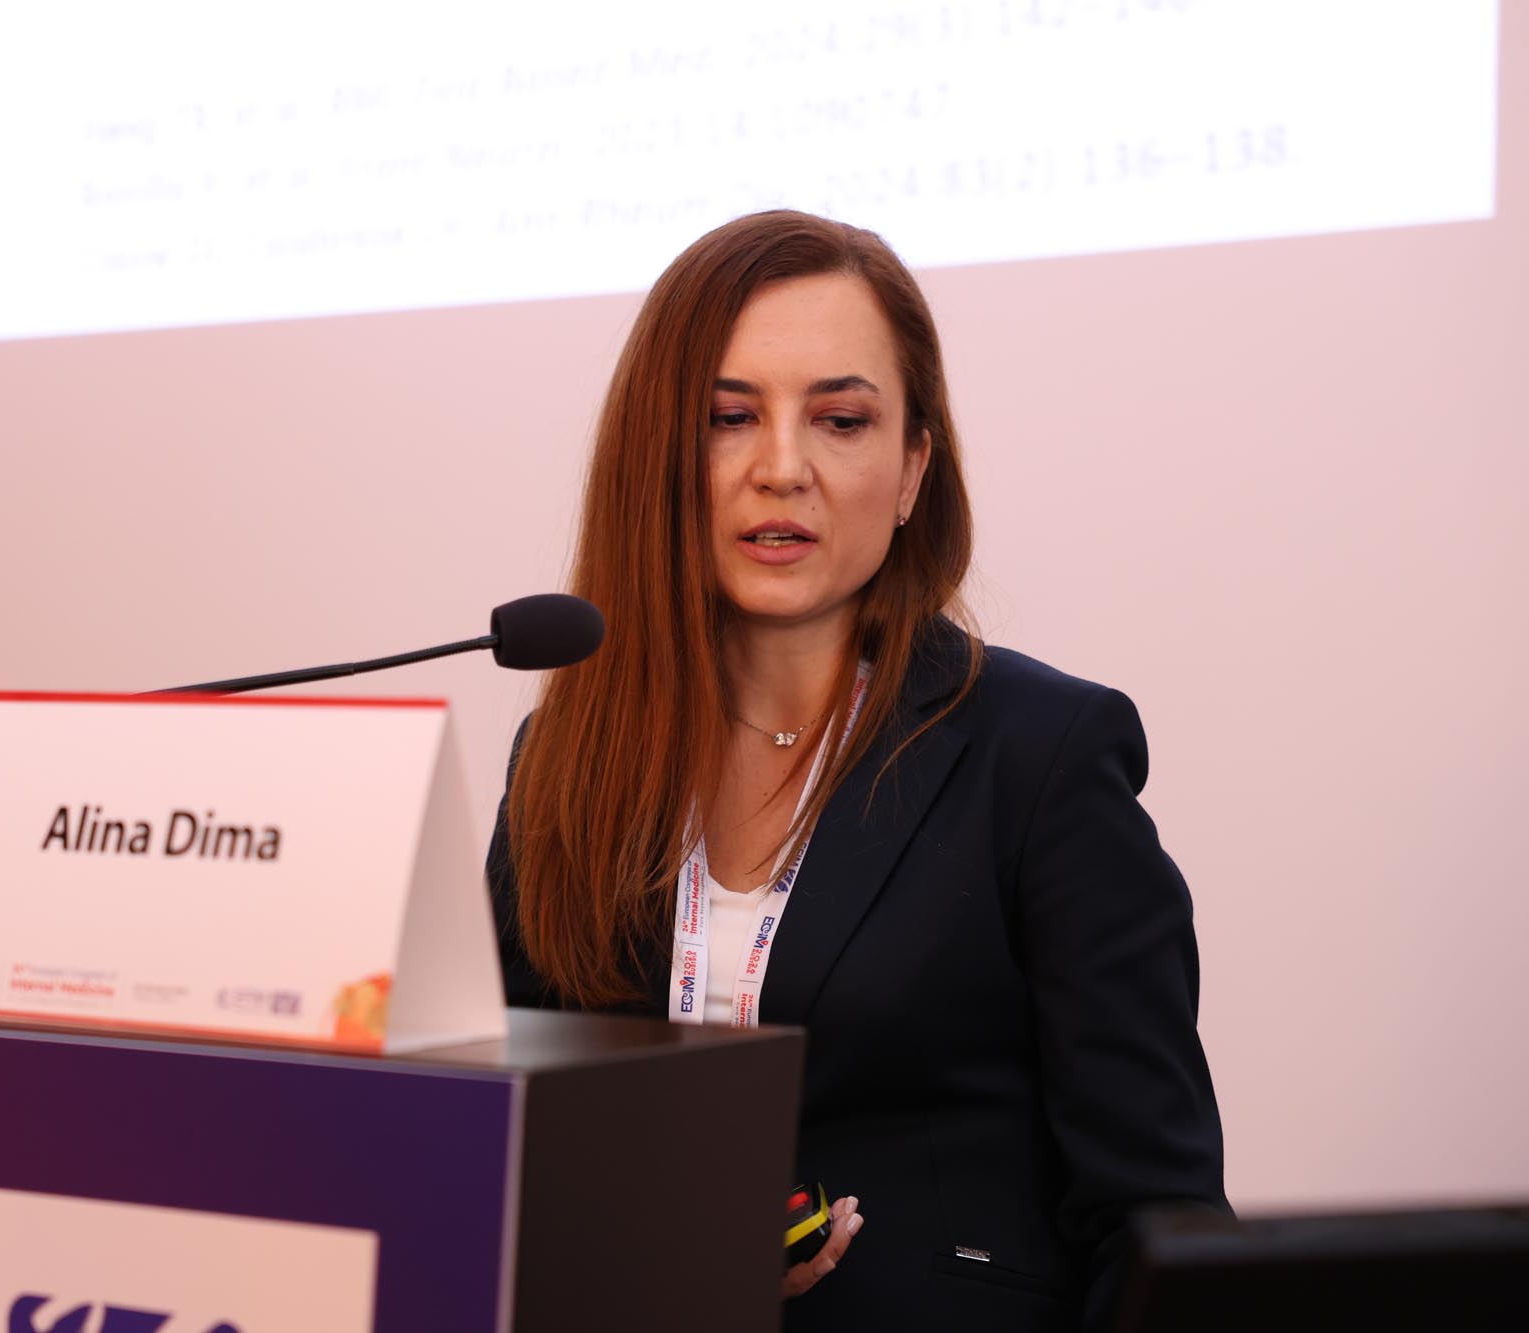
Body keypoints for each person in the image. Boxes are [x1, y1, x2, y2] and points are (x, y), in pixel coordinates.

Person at [485, 210, 1227, 1332]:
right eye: (728, 418)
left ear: (913, 465)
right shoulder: (567, 757)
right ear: (655, 459)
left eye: (840, 420)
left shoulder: (1040, 755)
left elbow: (1156, 1220)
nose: (781, 469)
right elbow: (503, 1141)